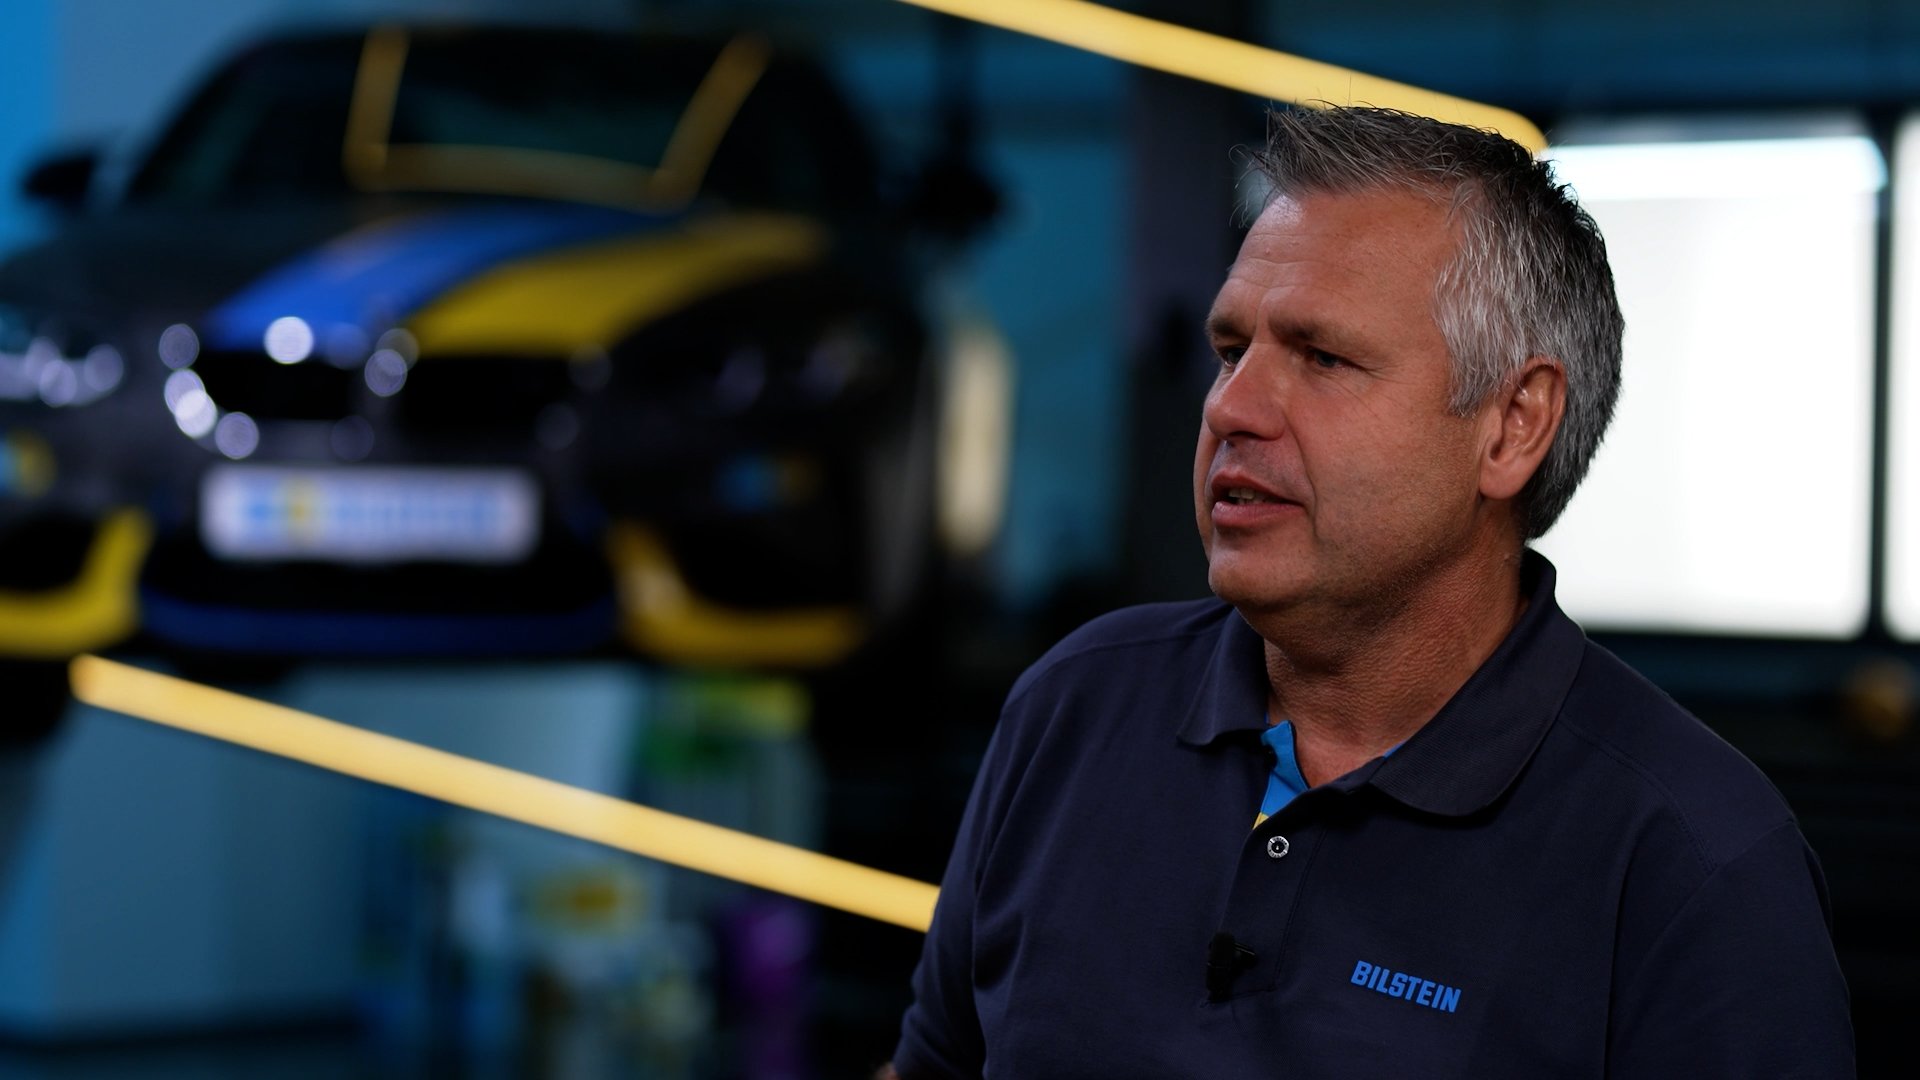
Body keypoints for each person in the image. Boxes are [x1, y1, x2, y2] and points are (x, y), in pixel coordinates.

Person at [886, 106, 1854, 1078]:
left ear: (1514, 426)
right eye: (1232, 351)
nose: (1232, 406)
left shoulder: (1696, 857)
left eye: (1325, 358)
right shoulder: (1076, 707)